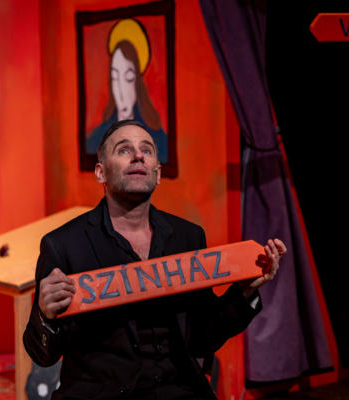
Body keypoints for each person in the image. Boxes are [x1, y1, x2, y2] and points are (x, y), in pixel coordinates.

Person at [24, 120, 286, 400]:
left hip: (180, 392)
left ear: (157, 173)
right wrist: (45, 314)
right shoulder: (63, 244)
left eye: (147, 150)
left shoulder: (188, 236)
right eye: (124, 150)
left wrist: (245, 291)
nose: (138, 155)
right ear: (100, 172)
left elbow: (202, 339)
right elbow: (43, 356)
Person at [85, 19, 168, 164]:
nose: (121, 91)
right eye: (115, 78)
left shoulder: (157, 139)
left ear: (137, 82)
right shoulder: (98, 139)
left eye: (128, 78)